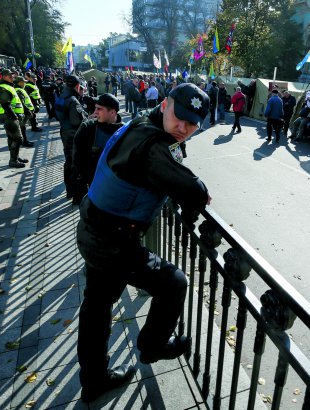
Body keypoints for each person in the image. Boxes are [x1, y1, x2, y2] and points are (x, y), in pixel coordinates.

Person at [75, 83, 211, 403]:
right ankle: (152, 347)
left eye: (192, 124)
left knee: (95, 310)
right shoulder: (151, 145)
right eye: (179, 117)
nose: (183, 128)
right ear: (164, 104)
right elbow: (193, 190)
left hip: (94, 227)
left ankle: (93, 381)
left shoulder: (139, 123)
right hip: (112, 241)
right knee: (174, 283)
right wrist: (198, 194)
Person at [72, 93, 123, 205]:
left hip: (117, 189)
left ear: (113, 112)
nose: (95, 112)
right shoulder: (87, 128)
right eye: (95, 108)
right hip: (93, 188)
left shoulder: (124, 131)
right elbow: (77, 160)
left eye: (99, 109)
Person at [55, 75, 88, 199]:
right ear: (77, 85)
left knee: (68, 162)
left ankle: (69, 190)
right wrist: (86, 119)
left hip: (64, 130)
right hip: (73, 134)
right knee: (74, 163)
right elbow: (76, 121)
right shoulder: (73, 100)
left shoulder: (62, 95)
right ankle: (75, 193)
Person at [0, 69, 26, 168]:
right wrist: (14, 116)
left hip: (11, 116)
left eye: (13, 76)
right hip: (9, 117)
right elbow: (5, 104)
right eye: (10, 76)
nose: (12, 78)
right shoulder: (2, 88)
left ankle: (15, 157)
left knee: (12, 138)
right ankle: (13, 160)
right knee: (18, 139)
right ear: (4, 76)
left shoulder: (7, 86)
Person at [14, 76, 36, 149]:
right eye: (23, 82)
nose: (24, 83)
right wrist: (28, 110)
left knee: (23, 128)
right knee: (22, 128)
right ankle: (24, 142)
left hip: (23, 112)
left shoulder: (20, 89)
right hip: (23, 112)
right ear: (20, 82)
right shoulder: (18, 90)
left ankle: (25, 141)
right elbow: (22, 103)